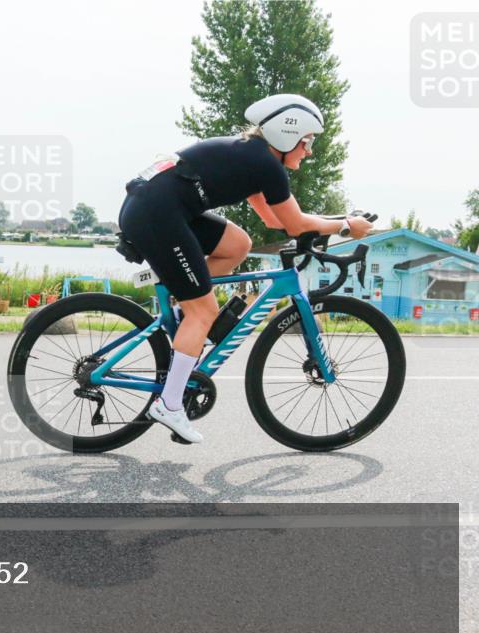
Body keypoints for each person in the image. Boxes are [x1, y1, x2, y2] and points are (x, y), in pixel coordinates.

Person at [117, 93, 372, 443]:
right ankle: (170, 404)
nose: (309, 151)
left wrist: (336, 222)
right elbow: (296, 225)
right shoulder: (264, 164)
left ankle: (183, 309)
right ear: (286, 134)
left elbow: (274, 219)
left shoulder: (251, 157)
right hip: (157, 213)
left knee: (237, 244)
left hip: (156, 207)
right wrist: (345, 225)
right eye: (307, 141)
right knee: (204, 311)